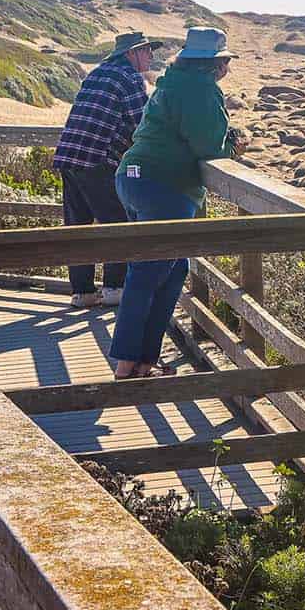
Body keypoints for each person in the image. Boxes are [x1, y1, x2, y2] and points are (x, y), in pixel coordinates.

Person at [109, 27, 247, 378]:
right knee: (149, 272)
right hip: (164, 186)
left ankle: (144, 360)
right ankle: (127, 365)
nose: (227, 67)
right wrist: (233, 146)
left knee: (171, 270)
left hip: (133, 176)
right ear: (214, 64)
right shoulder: (200, 89)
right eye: (225, 60)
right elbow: (209, 148)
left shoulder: (172, 81)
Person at [51, 31, 161, 307]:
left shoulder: (98, 72)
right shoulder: (130, 78)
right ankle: (114, 288)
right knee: (117, 224)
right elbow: (141, 123)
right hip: (97, 158)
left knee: (78, 227)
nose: (151, 55)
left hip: (69, 155)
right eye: (147, 50)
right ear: (132, 53)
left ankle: (82, 292)